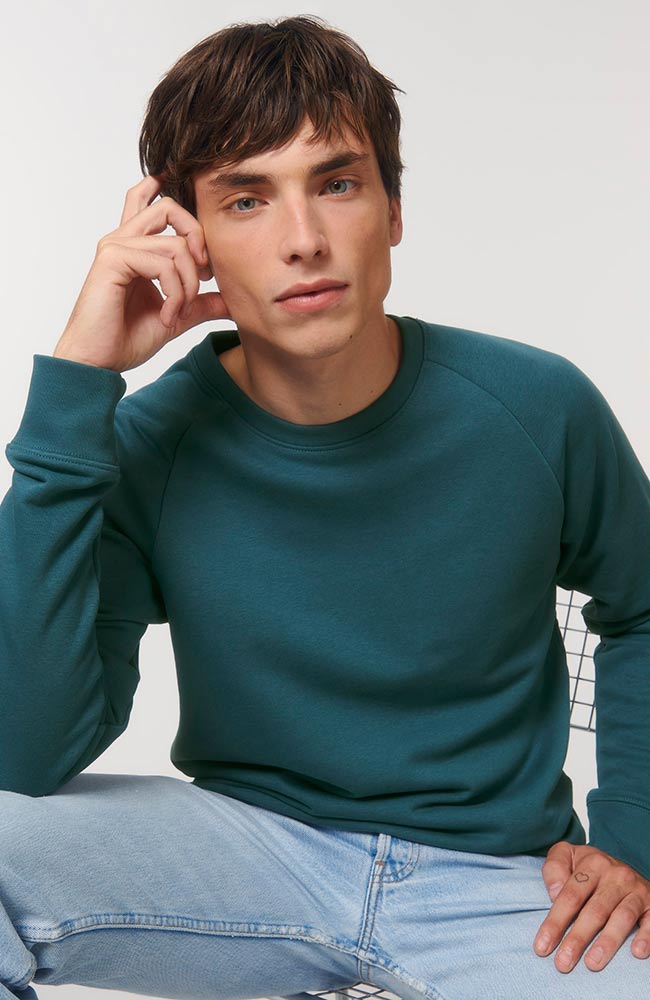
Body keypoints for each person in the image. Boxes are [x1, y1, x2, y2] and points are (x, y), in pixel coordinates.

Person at [0, 14, 648, 1000]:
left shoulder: (535, 407)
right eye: (246, 199)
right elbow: (26, 750)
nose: (303, 241)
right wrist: (77, 385)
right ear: (188, 237)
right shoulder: (150, 445)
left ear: (393, 209)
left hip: (503, 885)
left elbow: (640, 608)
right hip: (247, 856)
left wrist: (632, 842)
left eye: (336, 184)